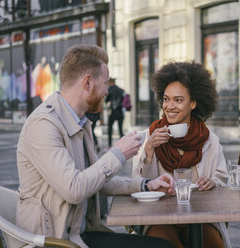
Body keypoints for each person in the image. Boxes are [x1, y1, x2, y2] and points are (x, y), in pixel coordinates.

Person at [16, 44, 176, 248]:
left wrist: (145, 184)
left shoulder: (81, 122)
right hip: (52, 241)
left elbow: (95, 180)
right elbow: (74, 189)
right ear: (88, 83)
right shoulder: (43, 125)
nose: (107, 90)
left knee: (160, 244)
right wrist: (117, 154)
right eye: (105, 83)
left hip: (79, 234)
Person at [132, 61, 231, 248]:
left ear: (193, 103)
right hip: (160, 218)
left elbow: (221, 180)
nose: (169, 106)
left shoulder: (210, 140)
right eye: (166, 99)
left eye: (178, 100)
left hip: (200, 216)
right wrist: (150, 149)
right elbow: (136, 183)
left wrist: (213, 182)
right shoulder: (149, 136)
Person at [105, 77, 124, 147]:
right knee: (120, 130)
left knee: (110, 128)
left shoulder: (110, 90)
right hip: (120, 111)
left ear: (111, 83)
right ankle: (123, 145)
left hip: (113, 112)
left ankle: (109, 144)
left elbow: (106, 100)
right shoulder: (121, 90)